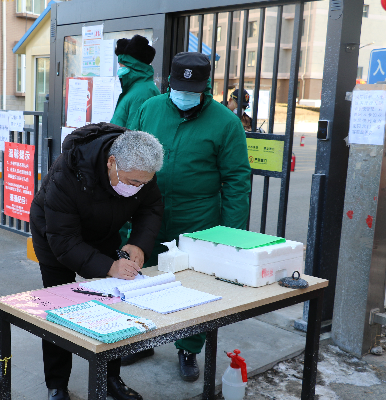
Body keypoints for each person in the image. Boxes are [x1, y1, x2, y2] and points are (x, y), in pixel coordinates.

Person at [127, 52, 251, 381]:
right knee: (143, 279)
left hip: (198, 219)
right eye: (179, 87)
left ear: (205, 87)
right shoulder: (149, 109)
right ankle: (143, 338)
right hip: (148, 213)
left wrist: (230, 236)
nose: (184, 95)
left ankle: (188, 347)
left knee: (192, 287)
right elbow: (128, 157)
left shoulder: (226, 122)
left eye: (192, 89)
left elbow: (237, 181)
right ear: (169, 82)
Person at [30, 125, 164, 400]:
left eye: (143, 183)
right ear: (111, 162)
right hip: (55, 233)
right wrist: (108, 266)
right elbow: (64, 241)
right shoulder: (67, 172)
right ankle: (57, 384)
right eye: (132, 182)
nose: (137, 188)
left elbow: (151, 207)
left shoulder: (139, 169)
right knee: (58, 308)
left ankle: (110, 377)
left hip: (103, 230)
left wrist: (139, 243)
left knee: (113, 306)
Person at [110, 35, 160, 256]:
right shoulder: (133, 89)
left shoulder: (142, 92)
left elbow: (134, 140)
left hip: (126, 170)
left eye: (122, 64)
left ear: (132, 66)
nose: (119, 69)